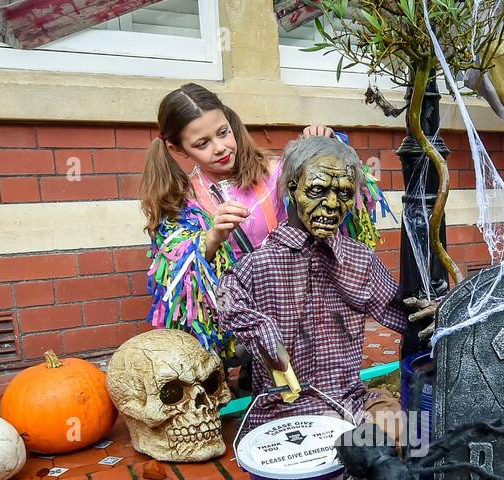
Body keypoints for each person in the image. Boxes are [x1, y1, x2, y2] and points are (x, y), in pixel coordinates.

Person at [139, 84, 388, 377]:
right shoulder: (183, 199)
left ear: (231, 123)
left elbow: (353, 191)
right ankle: (256, 370)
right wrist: (212, 237)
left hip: (303, 297)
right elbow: (175, 272)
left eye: (222, 133)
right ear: (177, 149)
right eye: (202, 143)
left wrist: (327, 147)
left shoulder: (277, 172)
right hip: (241, 317)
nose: (219, 147)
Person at [215, 136, 408, 443]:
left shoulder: (359, 260)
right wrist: (259, 328)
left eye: (344, 193)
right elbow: (223, 300)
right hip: (284, 413)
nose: (332, 205)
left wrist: (444, 313)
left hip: (350, 401)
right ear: (291, 188)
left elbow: (404, 312)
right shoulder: (260, 264)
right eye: (317, 190)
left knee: (411, 437)